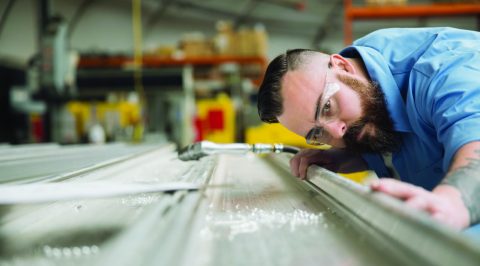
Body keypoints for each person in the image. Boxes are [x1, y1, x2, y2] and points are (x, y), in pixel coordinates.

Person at [257, 27, 480, 231]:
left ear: (343, 66)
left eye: (327, 107)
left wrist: (451, 204)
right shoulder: (366, 83)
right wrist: (348, 157)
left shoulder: (445, 71)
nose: (337, 133)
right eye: (317, 133)